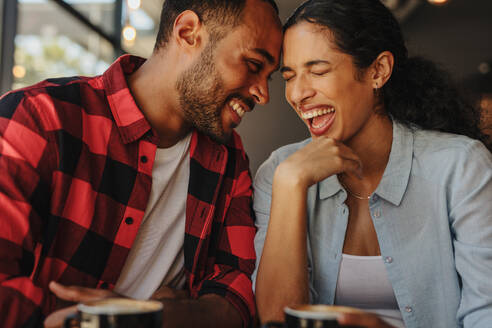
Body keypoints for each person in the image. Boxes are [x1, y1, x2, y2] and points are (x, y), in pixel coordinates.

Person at [0, 0, 282, 327]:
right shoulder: (37, 119)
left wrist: (163, 317)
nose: (263, 94)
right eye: (252, 64)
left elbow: (237, 295)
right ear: (188, 32)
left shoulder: (229, 158)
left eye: (270, 76)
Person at [252, 0, 492, 327]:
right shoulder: (280, 171)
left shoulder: (461, 167)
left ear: (378, 71)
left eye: (318, 70)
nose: (297, 93)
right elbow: (275, 320)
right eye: (290, 76)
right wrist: (290, 185)